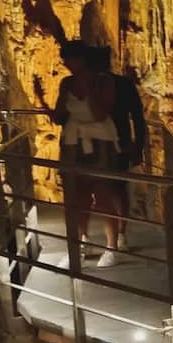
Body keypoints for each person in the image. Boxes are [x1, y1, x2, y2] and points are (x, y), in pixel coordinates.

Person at [41, 40, 121, 268]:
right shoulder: (67, 83)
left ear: (82, 60)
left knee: (103, 195)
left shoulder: (103, 81)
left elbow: (101, 113)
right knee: (77, 197)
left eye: (69, 59)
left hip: (100, 140)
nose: (66, 64)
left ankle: (112, 247)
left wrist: (88, 89)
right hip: (73, 142)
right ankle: (80, 244)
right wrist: (42, 101)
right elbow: (59, 116)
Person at [91, 46, 146, 251]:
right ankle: (119, 233)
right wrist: (138, 144)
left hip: (114, 144)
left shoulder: (119, 84)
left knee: (116, 189)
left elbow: (137, 116)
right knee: (113, 189)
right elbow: (138, 117)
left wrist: (138, 145)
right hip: (108, 143)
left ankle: (118, 234)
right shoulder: (121, 84)